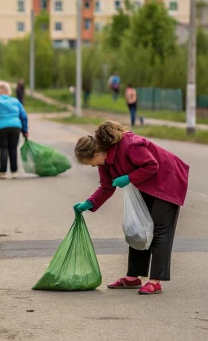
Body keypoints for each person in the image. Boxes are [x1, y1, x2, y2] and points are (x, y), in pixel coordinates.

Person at [73, 121, 189, 295]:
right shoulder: (104, 161)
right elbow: (106, 187)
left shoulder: (130, 145)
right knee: (138, 226)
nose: (93, 166)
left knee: (160, 230)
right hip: (145, 183)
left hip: (168, 179)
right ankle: (133, 276)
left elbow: (152, 165)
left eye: (91, 162)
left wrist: (128, 178)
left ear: (96, 153)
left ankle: (155, 281)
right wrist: (89, 203)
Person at [0, 81, 28, 179]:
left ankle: (3, 172)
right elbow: (23, 116)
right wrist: (25, 130)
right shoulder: (15, 101)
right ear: (8, 91)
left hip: (2, 127)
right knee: (13, 149)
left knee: (3, 148)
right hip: (15, 127)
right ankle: (14, 172)